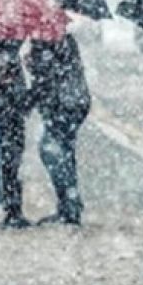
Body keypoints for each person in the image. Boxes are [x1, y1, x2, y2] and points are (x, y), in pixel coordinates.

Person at [26, 34, 91, 226]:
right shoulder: (65, 38)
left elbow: (47, 78)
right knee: (65, 152)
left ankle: (69, 207)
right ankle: (70, 205)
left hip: (62, 103)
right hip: (75, 101)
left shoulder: (46, 42)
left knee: (51, 151)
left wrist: (33, 65)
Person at [0, 40, 32, 228]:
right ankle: (11, 211)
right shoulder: (6, 56)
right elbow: (20, 97)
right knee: (8, 166)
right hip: (6, 120)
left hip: (1, 119)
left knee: (3, 166)